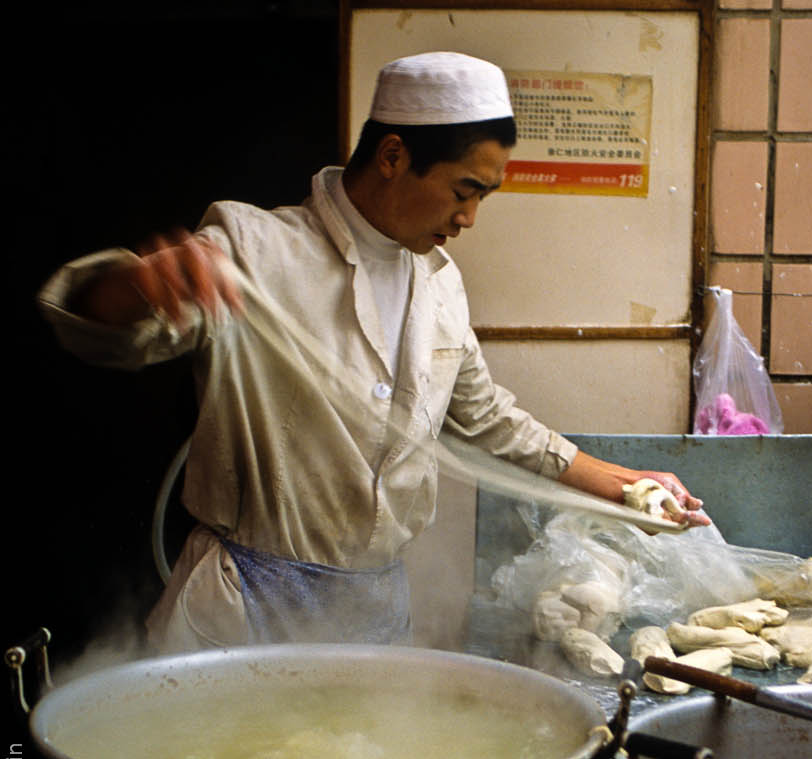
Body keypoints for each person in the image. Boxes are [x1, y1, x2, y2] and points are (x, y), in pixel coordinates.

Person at [37, 51, 707, 652]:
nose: (470, 217)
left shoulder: (439, 285)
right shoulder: (253, 248)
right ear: (392, 156)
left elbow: (489, 420)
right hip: (246, 602)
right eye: (464, 190)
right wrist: (137, 285)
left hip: (376, 606)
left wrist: (625, 488)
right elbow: (104, 329)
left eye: (483, 196)